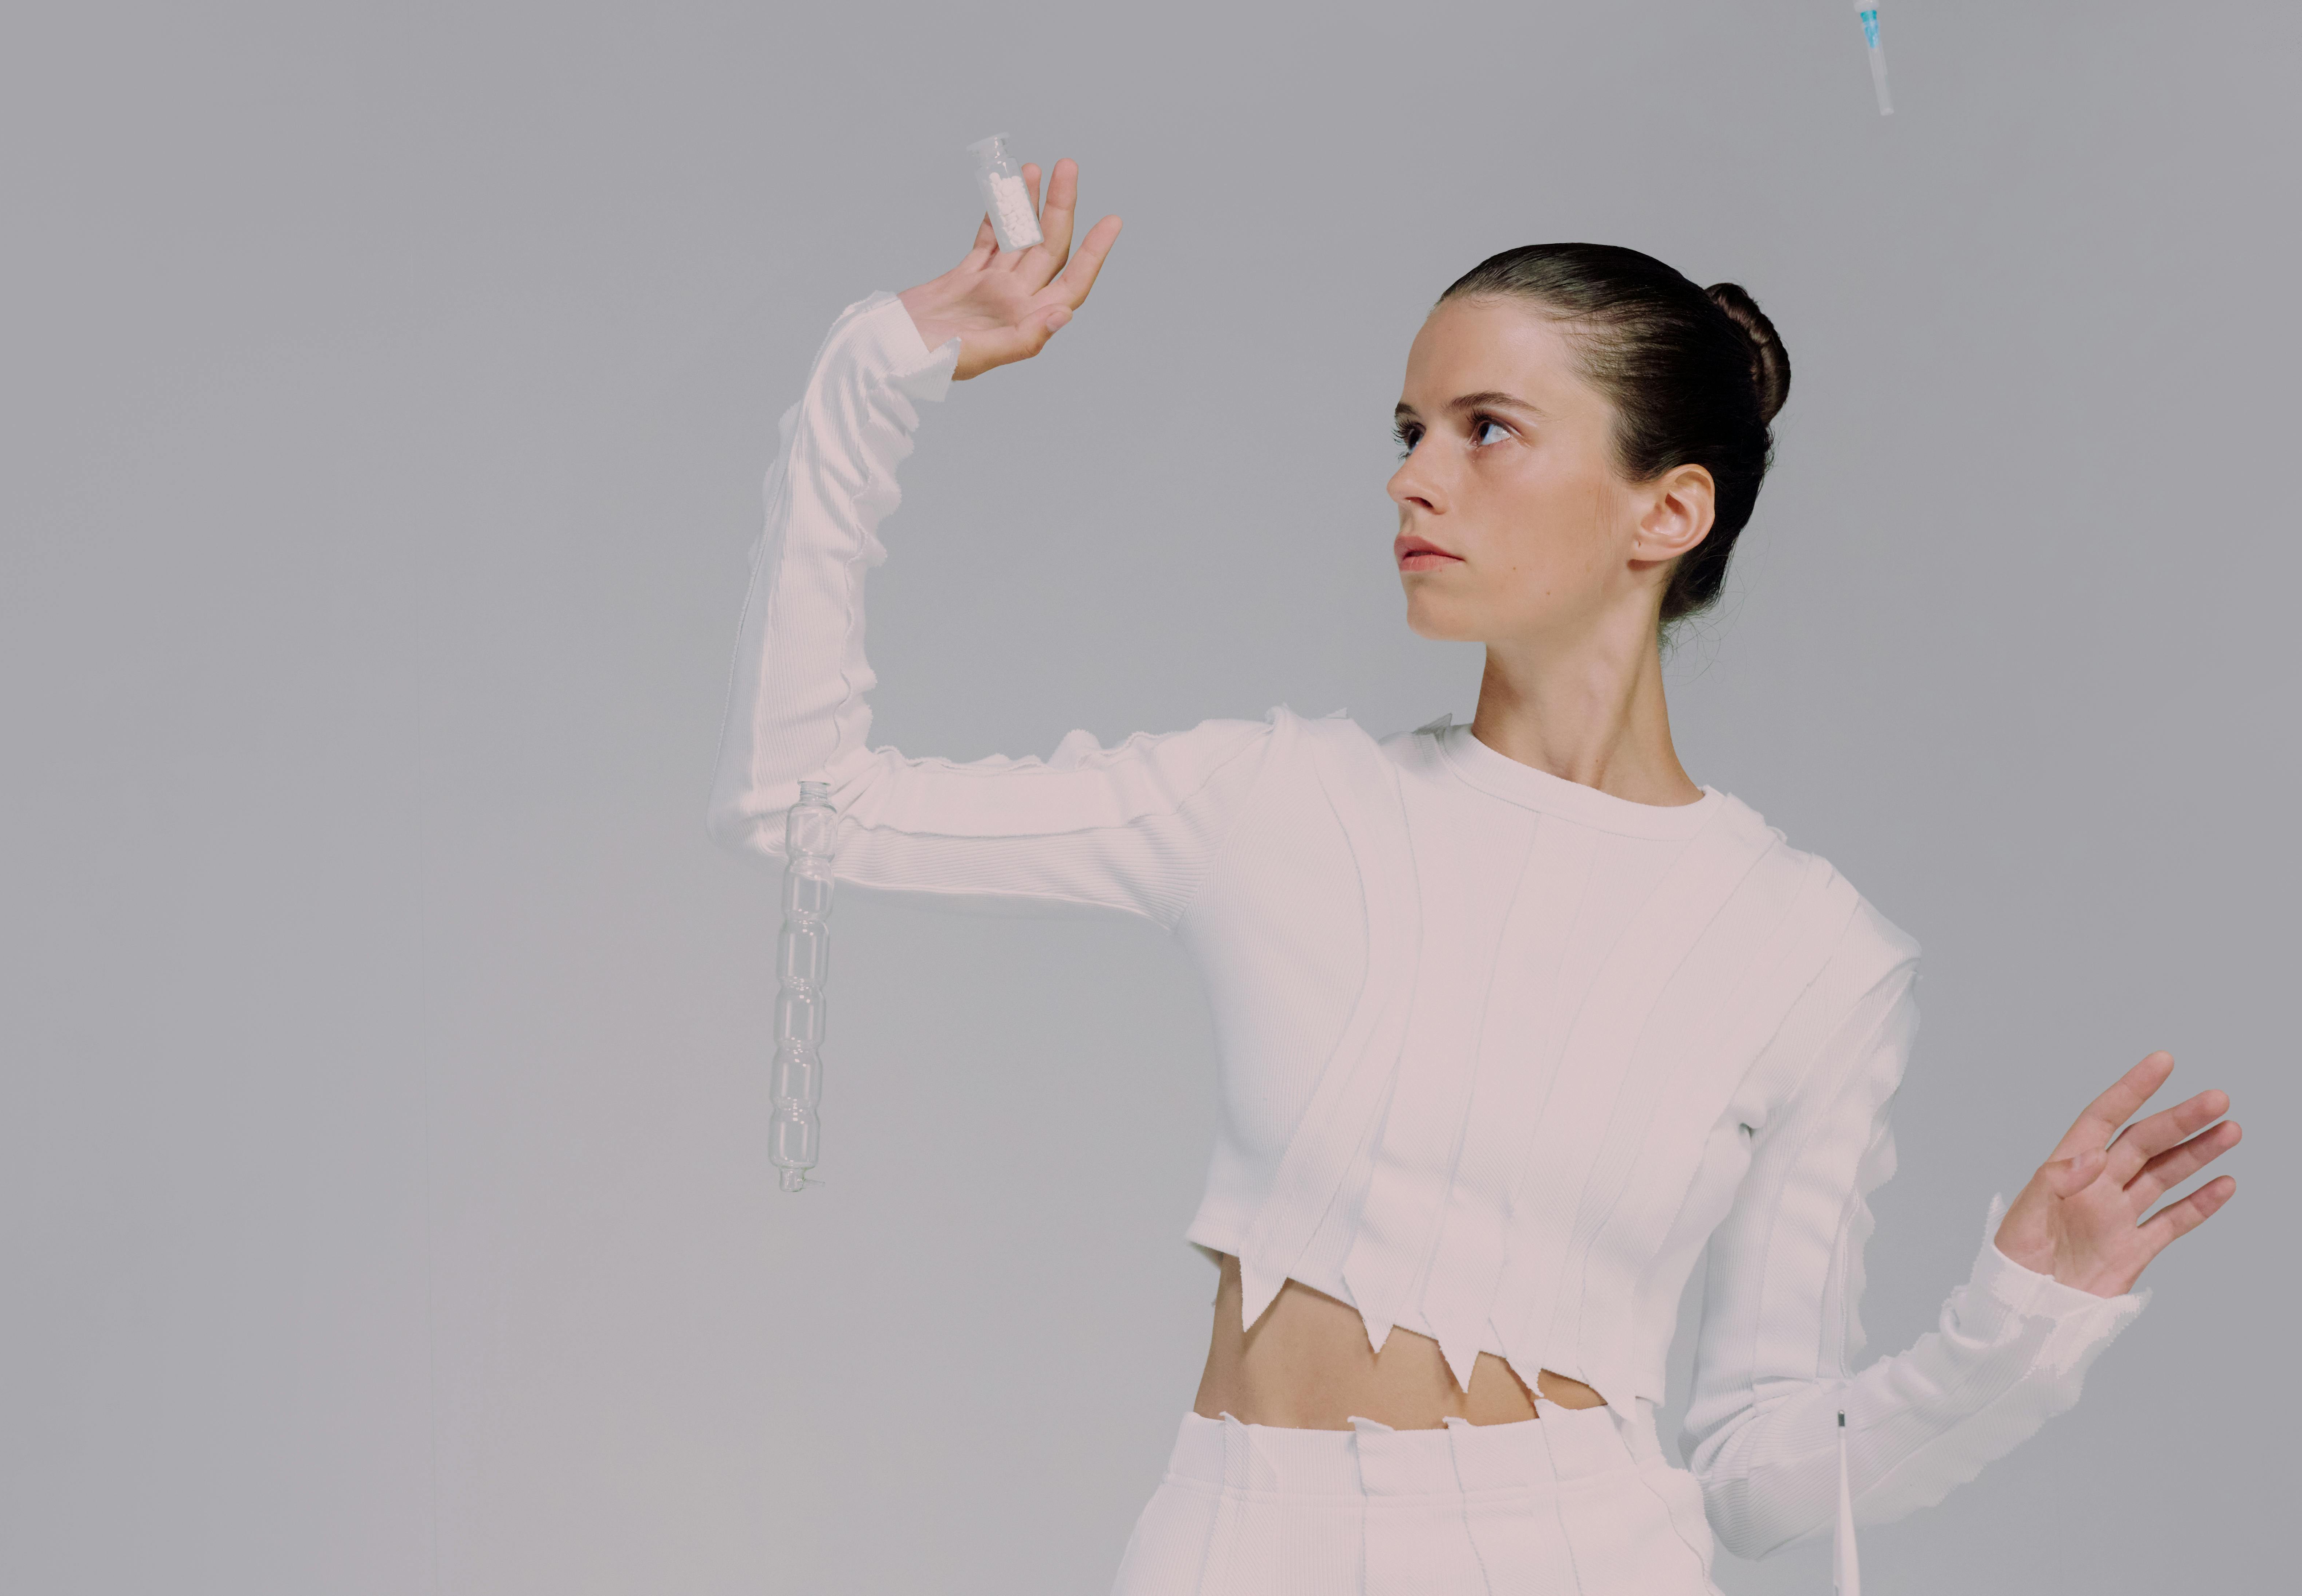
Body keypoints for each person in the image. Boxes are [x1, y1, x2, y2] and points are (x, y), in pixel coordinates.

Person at [706, 157, 2241, 1595]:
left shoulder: (1814, 955)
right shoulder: (1279, 801)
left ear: (1670, 507)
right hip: (1227, 1537)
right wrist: (873, 372)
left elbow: (1758, 1469)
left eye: (1484, 430)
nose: (1411, 481)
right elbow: (809, 807)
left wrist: (2021, 1322)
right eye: (1407, 431)